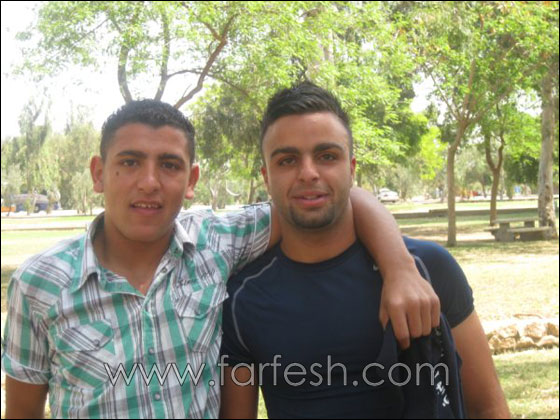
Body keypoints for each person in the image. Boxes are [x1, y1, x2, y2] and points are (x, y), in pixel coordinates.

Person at [2, 99, 438, 419]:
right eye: (130, 162)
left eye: (169, 165)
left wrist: (399, 268)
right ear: (99, 173)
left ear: (191, 179)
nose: (149, 182)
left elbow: (333, 197)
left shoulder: (217, 243)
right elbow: (22, 412)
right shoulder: (40, 284)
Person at [219, 82, 510, 419]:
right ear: (266, 177)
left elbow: (488, 408)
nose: (308, 173)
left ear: (352, 168)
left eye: (327, 156)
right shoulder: (242, 299)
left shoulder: (428, 268)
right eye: (287, 160)